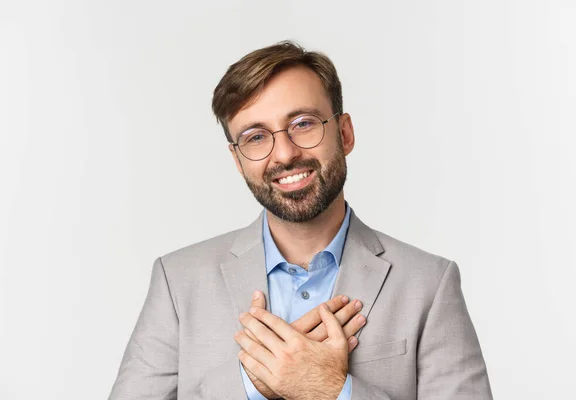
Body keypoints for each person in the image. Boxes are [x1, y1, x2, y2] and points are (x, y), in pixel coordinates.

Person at [108, 40, 493, 400]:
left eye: (303, 124)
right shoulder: (178, 282)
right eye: (256, 137)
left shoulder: (430, 284)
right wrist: (251, 382)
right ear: (238, 160)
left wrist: (330, 389)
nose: (285, 154)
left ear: (344, 134)